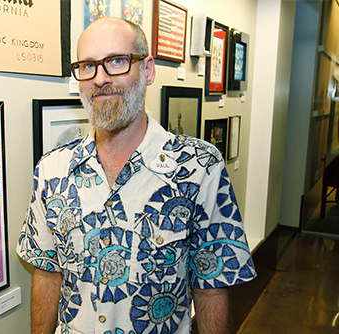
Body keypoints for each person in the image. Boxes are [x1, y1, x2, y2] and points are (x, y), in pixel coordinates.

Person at [17, 17, 256, 334]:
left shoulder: (199, 167)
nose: (101, 78)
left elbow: (211, 286)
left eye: (117, 61)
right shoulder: (52, 169)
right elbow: (47, 274)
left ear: (148, 70)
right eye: (88, 65)